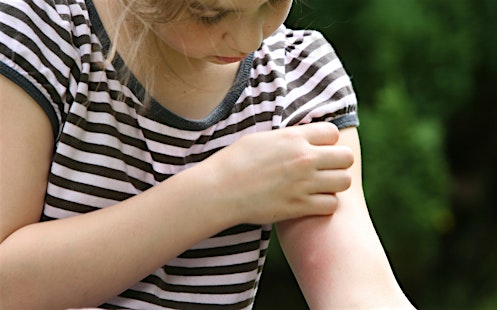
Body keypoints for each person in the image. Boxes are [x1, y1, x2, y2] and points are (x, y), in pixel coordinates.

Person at [0, 0, 415, 309]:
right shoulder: (37, 37)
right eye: (211, 14)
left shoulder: (298, 81)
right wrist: (218, 192)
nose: (251, 38)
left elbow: (362, 293)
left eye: (272, 2)